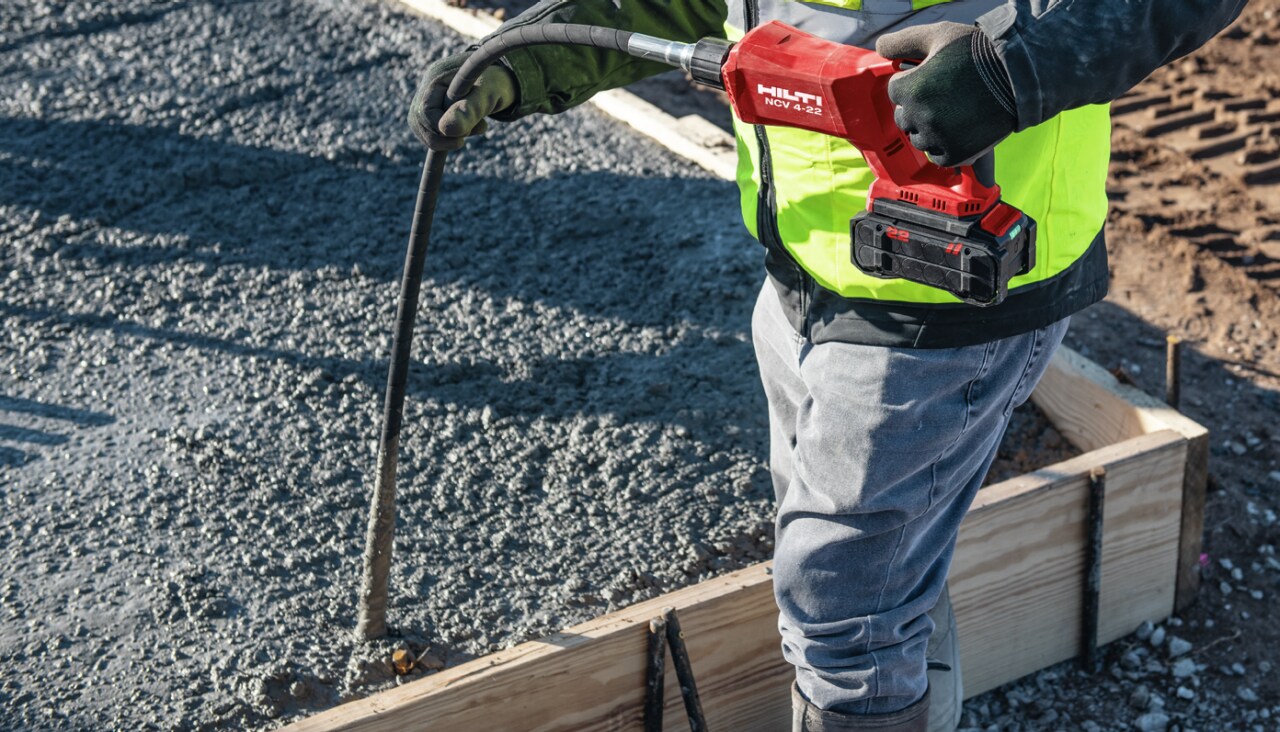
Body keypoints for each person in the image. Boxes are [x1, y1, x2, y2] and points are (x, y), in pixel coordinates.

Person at [408, 1, 1248, 730]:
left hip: (953, 295)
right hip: (806, 269)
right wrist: (525, 55)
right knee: (886, 574)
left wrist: (1012, 71)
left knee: (840, 602)